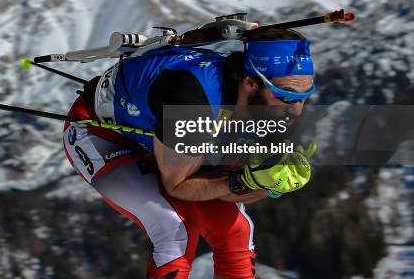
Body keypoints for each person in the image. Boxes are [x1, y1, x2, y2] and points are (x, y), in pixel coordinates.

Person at [62, 28, 316, 279]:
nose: (296, 109)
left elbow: (228, 190)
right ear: (250, 83)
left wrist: (270, 183)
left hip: (166, 143)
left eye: (305, 96)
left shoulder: (275, 112)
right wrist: (244, 180)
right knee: (175, 231)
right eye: (286, 96)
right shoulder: (192, 104)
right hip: (102, 135)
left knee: (237, 231)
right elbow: (179, 186)